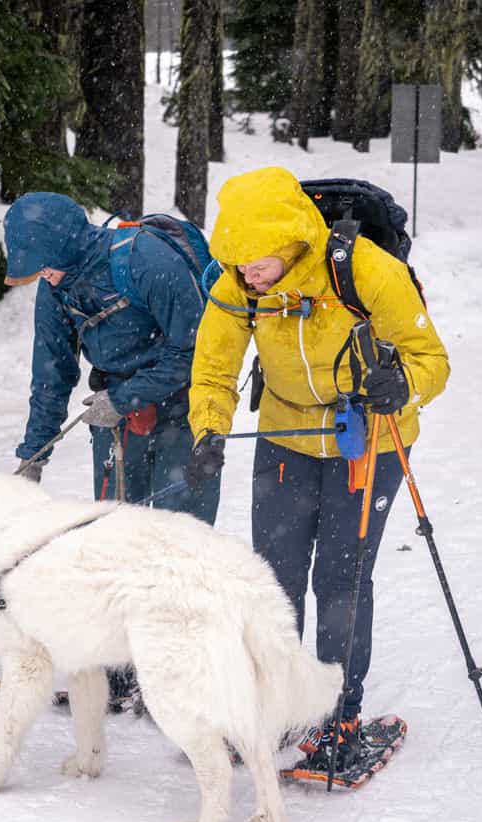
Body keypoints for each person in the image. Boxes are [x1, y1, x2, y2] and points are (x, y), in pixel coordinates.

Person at [186, 167, 450, 772]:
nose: (246, 276)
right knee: (273, 582)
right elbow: (215, 367)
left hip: (371, 441)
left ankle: (339, 719)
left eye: (256, 265)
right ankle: (273, 709)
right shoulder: (239, 282)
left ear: (288, 244)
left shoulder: (362, 269)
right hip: (286, 437)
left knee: (340, 582)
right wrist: (209, 428)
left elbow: (431, 359)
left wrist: (401, 383)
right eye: (238, 265)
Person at [3, 191, 220, 525]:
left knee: (181, 537)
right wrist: (34, 454)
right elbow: (52, 373)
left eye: (43, 265)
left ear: (62, 248)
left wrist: (124, 398)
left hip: (184, 408)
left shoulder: (147, 261)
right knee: (114, 536)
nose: (41, 276)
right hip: (116, 414)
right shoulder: (56, 289)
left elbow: (195, 352)